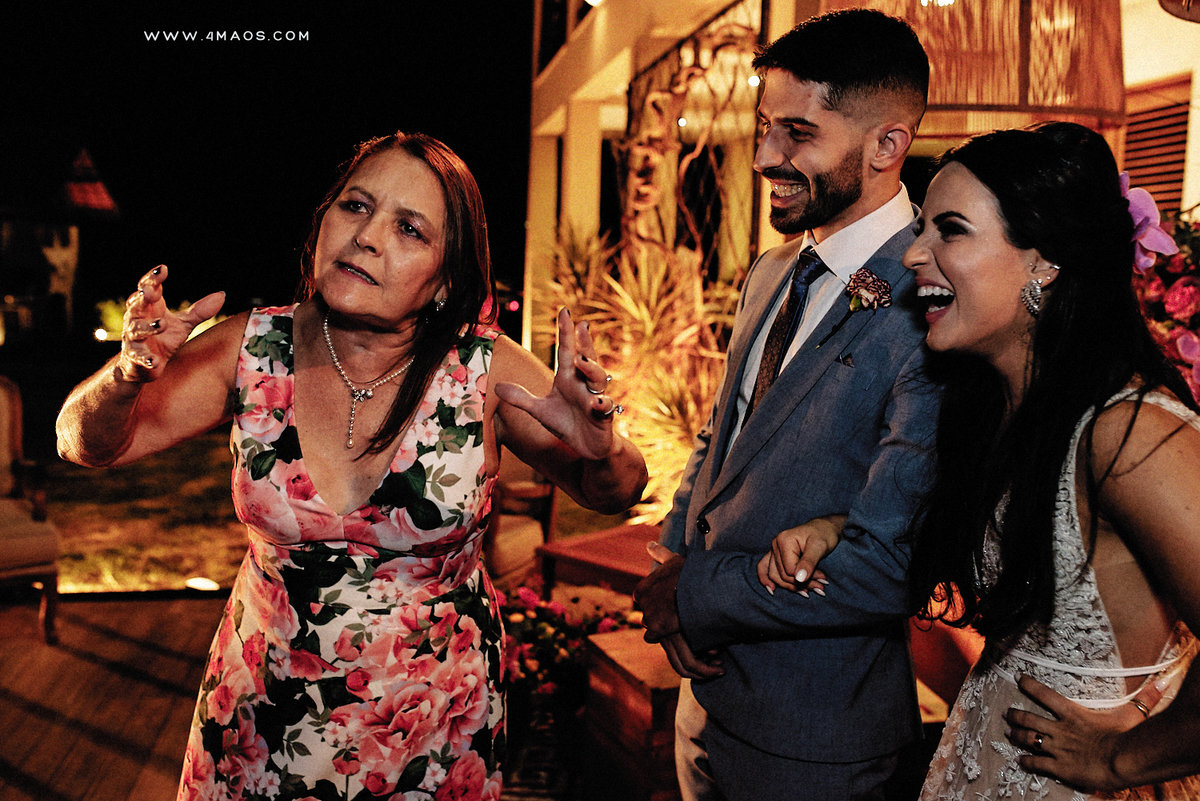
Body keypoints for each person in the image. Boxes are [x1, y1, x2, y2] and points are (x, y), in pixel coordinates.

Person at [55, 132, 648, 800]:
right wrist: (128, 374)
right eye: (355, 206)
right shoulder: (251, 347)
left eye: (409, 229)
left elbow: (615, 490)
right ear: (322, 224)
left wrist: (605, 447)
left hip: (431, 737)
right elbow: (84, 440)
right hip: (259, 720)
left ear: (445, 278)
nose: (367, 237)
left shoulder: (485, 370)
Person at [631, 10, 941, 800]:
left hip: (816, 737)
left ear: (885, 146)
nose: (766, 156)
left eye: (797, 133)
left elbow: (888, 561)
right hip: (705, 697)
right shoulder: (772, 269)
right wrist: (672, 557)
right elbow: (723, 433)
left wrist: (693, 596)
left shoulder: (934, 302)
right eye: (766, 126)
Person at [898, 121, 1200, 798]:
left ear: (1044, 260)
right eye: (922, 227)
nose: (914, 254)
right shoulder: (1001, 410)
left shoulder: (1126, 433)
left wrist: (1123, 761)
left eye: (949, 229)